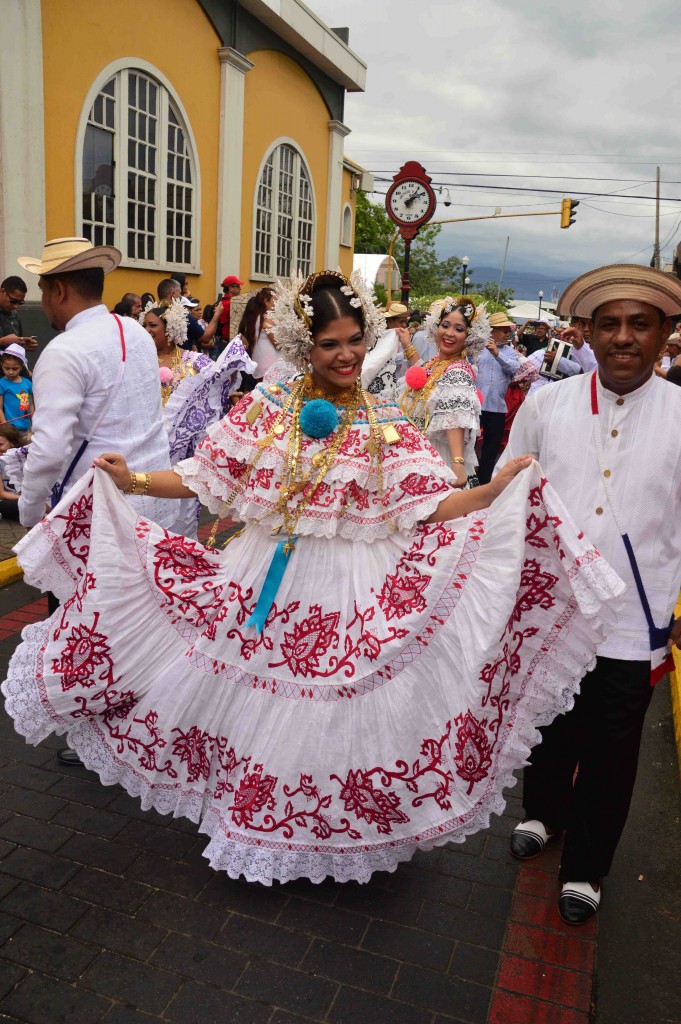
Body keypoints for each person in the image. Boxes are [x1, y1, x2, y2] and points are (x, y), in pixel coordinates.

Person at [1, 268, 624, 887]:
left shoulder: (384, 422)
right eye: (330, 344)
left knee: (335, 713)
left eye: (355, 340)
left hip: (354, 589)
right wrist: (131, 480)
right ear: (306, 345)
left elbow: (428, 505)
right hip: (261, 581)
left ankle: (324, 835)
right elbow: (206, 475)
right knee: (253, 704)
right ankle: (257, 821)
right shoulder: (268, 406)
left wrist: (491, 491)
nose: (346, 354)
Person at [499, 263, 681, 926]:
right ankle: (542, 814)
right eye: (609, 323)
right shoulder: (547, 404)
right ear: (587, 333)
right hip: (552, 609)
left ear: (665, 333)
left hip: (635, 619)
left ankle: (588, 867)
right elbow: (506, 490)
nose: (623, 336)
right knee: (548, 722)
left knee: (612, 746)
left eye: (639, 324)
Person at [142, 299, 252, 537]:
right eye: (145, 326)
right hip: (148, 449)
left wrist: (232, 364)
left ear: (170, 329)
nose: (147, 331)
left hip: (183, 455)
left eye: (152, 325)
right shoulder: (138, 362)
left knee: (182, 517)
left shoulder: (192, 360)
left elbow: (219, 378)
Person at [399, 297, 487, 488]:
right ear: (436, 327)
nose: (449, 333)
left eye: (459, 329)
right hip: (417, 450)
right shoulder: (435, 363)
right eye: (445, 325)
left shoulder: (459, 371)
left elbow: (454, 414)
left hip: (437, 455)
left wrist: (457, 463)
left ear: (469, 337)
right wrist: (407, 344)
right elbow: (422, 374)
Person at [475, 311, 519, 483]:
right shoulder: (477, 349)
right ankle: (468, 478)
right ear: (492, 331)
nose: (508, 333)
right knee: (468, 442)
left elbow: (515, 369)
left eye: (508, 330)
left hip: (497, 407)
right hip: (476, 405)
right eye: (504, 330)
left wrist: (497, 354)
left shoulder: (510, 352)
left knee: (491, 448)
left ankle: (484, 482)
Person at [242, 287, 277, 385]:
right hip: (270, 365)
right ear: (266, 302)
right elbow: (278, 343)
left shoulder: (257, 316)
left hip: (261, 362)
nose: (277, 304)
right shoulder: (268, 318)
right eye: (275, 300)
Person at [0, 344, 34, 435]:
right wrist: (5, 426)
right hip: (11, 428)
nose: (10, 372)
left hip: (27, 428)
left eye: (15, 368)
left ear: (22, 366)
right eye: (6, 368)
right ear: (1, 364)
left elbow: (31, 405)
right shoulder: (1, 383)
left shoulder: (27, 383)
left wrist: (34, 424)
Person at [0, 276, 38, 352]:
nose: (16, 306)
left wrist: (24, 347)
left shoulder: (14, 315)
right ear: (2, 291)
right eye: (13, 301)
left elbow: (15, 347)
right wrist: (2, 341)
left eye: (20, 303)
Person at [0, 423, 24, 520]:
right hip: (10, 500)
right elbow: (2, 494)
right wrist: (25, 499)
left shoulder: (24, 458)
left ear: (12, 443)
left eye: (1, 445)